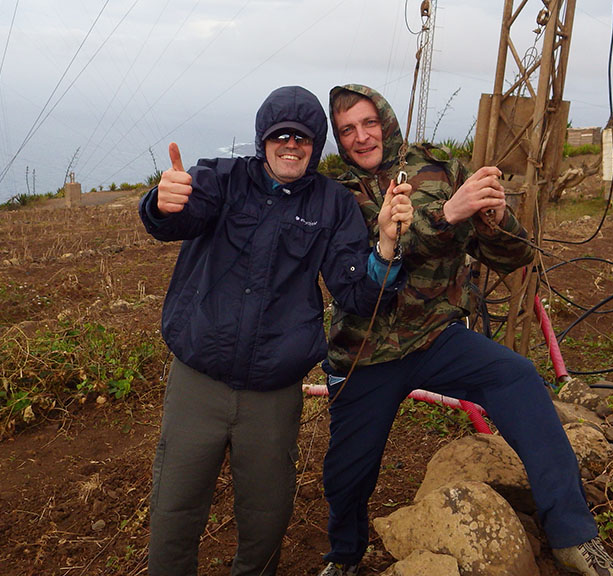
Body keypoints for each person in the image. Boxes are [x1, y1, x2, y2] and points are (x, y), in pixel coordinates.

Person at [317, 84, 613, 576]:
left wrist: (495, 220)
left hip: (435, 336)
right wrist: (446, 214)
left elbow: (512, 256)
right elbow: (369, 265)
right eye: (348, 129)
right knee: (347, 473)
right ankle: (345, 555)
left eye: (368, 122)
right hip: (365, 351)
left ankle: (573, 536)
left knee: (517, 376)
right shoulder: (336, 195)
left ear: (386, 120)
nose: (361, 137)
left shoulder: (440, 170)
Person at [139, 85, 413, 576]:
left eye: (303, 137)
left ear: (316, 145)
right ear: (263, 139)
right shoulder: (222, 179)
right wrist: (162, 202)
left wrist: (387, 247)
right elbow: (178, 218)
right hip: (197, 384)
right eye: (281, 135)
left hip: (273, 393)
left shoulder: (333, 204)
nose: (291, 145)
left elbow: (356, 291)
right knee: (174, 512)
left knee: (266, 519)